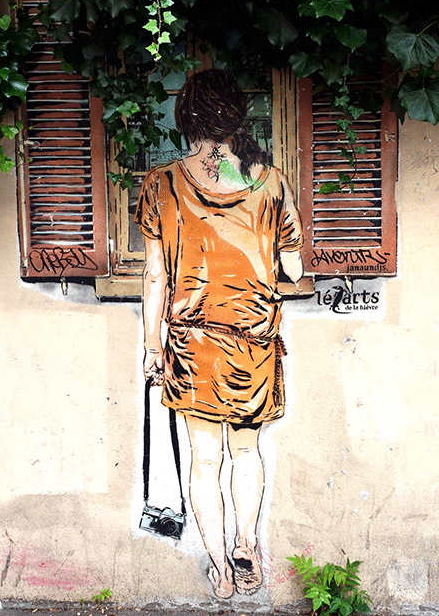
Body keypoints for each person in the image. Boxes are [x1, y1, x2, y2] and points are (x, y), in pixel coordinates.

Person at [134, 68, 304, 599]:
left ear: (185, 119)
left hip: (190, 342)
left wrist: (150, 346)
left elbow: (155, 274)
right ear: (238, 117)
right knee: (246, 453)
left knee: (204, 460)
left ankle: (220, 568)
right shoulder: (269, 182)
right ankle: (248, 543)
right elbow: (295, 270)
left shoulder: (161, 184)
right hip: (252, 340)